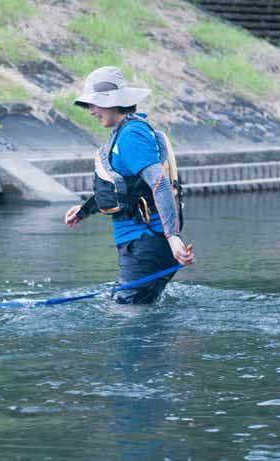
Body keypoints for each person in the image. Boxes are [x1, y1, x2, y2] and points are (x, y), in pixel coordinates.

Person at [64, 66, 195, 304]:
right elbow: (124, 189)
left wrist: (173, 236)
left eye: (95, 104)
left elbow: (160, 185)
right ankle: (176, 340)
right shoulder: (122, 134)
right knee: (128, 309)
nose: (91, 111)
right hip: (140, 243)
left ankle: (178, 339)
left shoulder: (132, 135)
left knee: (125, 314)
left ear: (113, 102)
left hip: (147, 241)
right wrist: (84, 211)